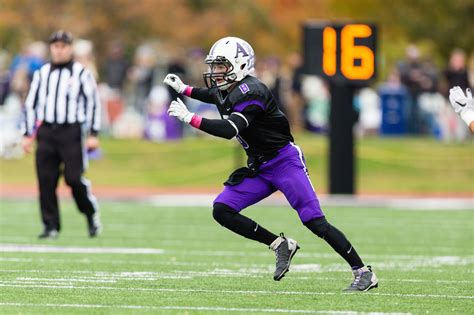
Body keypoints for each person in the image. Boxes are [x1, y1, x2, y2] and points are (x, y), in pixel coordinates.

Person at [164, 36, 378, 292]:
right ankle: (280, 245)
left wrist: (190, 118)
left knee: (314, 221)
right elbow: (212, 95)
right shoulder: (230, 87)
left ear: (240, 65)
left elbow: (230, 129)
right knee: (222, 209)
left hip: (284, 162)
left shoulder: (252, 91)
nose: (215, 72)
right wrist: (184, 89)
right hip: (260, 167)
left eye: (221, 66)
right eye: (215, 66)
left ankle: (363, 272)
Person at [22, 30, 102, 239]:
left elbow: (93, 104)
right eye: (55, 46)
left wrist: (93, 133)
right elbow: (31, 104)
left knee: (74, 179)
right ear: (51, 48)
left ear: (70, 48)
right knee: (46, 180)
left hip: (71, 131)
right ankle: (51, 226)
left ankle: (90, 212)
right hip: (47, 131)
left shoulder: (81, 73)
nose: (59, 50)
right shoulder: (42, 73)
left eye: (63, 46)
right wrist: (27, 133)